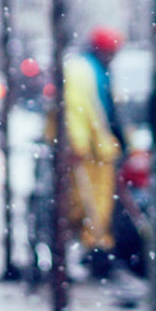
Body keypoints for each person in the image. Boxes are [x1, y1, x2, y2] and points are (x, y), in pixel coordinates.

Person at [55, 26, 126, 280]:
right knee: (88, 205)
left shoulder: (93, 70)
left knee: (94, 205)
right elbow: (75, 108)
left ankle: (95, 249)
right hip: (90, 154)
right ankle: (95, 252)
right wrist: (79, 145)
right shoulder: (82, 71)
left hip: (98, 151)